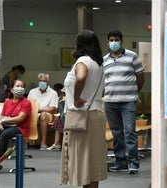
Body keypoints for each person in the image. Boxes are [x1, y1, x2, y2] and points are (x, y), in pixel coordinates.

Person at [60, 30, 107, 188]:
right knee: (92, 162)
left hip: (82, 117)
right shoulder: (99, 63)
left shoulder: (83, 61)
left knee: (82, 161)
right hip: (96, 114)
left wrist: (76, 97)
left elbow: (81, 77)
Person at [103, 29, 145, 174]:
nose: (114, 42)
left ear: (122, 40)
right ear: (107, 42)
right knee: (117, 133)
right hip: (110, 101)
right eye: (111, 40)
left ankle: (133, 162)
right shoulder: (104, 60)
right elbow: (104, 81)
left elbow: (140, 79)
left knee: (129, 132)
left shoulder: (132, 56)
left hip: (128, 101)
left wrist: (133, 93)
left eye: (116, 40)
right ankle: (120, 162)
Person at [0, 80, 31, 169]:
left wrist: (4, 120)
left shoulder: (26, 102)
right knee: (1, 131)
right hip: (7, 125)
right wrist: (0, 124)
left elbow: (20, 118)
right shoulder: (8, 102)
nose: (20, 88)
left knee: (5, 134)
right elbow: (2, 117)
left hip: (20, 127)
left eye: (21, 86)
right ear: (12, 90)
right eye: (17, 86)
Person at [27, 73, 58, 150]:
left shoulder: (53, 93)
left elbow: (52, 108)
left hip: (48, 114)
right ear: (38, 81)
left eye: (44, 81)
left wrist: (40, 110)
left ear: (48, 82)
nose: (42, 83)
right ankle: (26, 141)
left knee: (43, 115)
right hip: (34, 113)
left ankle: (43, 142)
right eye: (40, 81)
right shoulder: (32, 92)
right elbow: (28, 104)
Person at [47, 83, 65, 151]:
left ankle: (56, 143)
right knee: (58, 120)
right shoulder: (61, 99)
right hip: (63, 116)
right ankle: (56, 143)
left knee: (59, 120)